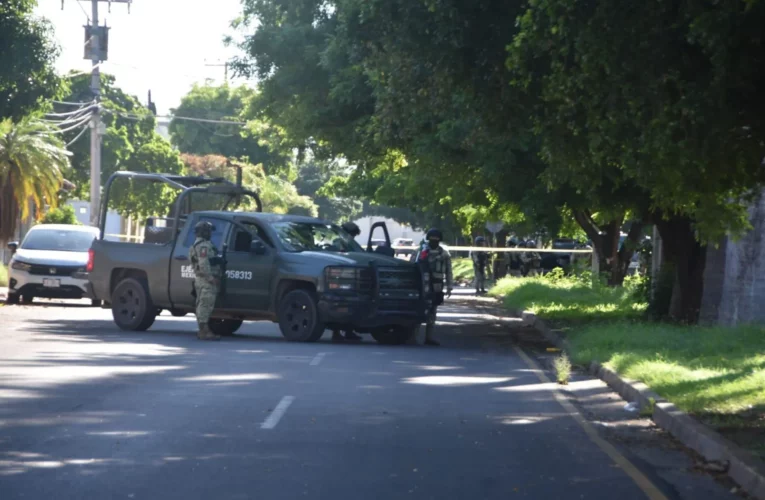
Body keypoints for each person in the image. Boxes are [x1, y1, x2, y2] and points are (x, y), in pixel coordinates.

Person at [416, 228, 453, 346]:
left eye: (436, 240)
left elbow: (449, 271)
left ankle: (429, 337)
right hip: (422, 283)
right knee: (419, 309)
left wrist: (449, 286)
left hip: (437, 283)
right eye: (432, 240)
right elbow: (414, 265)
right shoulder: (421, 251)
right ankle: (414, 336)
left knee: (433, 310)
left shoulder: (444, 254)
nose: (434, 242)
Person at [189, 221, 222, 341]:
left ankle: (204, 330)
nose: (210, 234)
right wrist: (211, 278)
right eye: (208, 231)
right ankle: (204, 331)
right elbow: (203, 264)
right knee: (205, 305)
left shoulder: (196, 245)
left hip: (200, 279)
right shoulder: (203, 246)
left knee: (202, 304)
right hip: (206, 281)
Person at [332, 221, 363, 342]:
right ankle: (337, 332)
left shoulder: (350, 243)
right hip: (341, 277)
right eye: (353, 234)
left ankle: (349, 331)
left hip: (350, 277)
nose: (353, 236)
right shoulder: (339, 243)